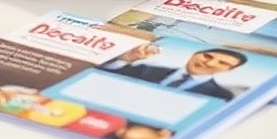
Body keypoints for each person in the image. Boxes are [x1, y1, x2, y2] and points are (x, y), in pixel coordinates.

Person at [101, 45, 248, 101]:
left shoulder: (221, 96)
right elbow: (101, 75)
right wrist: (125, 59)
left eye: (223, 63)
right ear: (194, 54)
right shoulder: (146, 68)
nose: (209, 63)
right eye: (207, 56)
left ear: (229, 70)